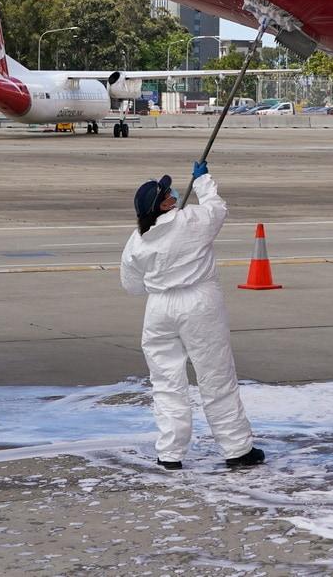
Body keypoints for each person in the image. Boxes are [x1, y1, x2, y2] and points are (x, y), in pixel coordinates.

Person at [121, 160, 264, 471]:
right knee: (215, 377)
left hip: (158, 309)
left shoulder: (138, 240)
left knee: (166, 382)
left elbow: (131, 286)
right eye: (168, 191)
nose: (173, 192)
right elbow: (218, 208)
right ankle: (237, 449)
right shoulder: (192, 219)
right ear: (166, 202)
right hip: (199, 304)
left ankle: (170, 454)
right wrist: (203, 181)